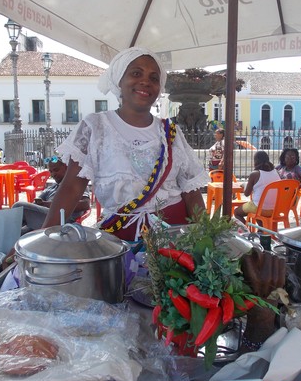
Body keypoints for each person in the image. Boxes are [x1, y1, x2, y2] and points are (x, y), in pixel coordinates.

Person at [42, 47, 207, 242]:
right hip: (120, 237)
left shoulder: (171, 132)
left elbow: (191, 191)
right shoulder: (95, 127)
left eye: (154, 78)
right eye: (136, 73)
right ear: (119, 79)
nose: (145, 81)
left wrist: (206, 239)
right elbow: (71, 188)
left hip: (174, 235)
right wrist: (42, 237)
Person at [12, 156, 91, 234]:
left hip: (64, 221)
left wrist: (47, 204)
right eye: (51, 171)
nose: (53, 174)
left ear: (66, 167)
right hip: (44, 220)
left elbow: (85, 205)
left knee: (19, 207)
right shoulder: (51, 188)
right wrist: (38, 204)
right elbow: (36, 204)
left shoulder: (76, 185)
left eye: (56, 170)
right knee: (17, 235)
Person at [234, 151, 281, 224]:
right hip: (275, 209)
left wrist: (245, 185)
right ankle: (260, 229)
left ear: (255, 161)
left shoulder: (254, 174)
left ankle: (246, 230)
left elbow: (247, 194)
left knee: (237, 212)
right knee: (256, 205)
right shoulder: (276, 172)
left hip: (259, 208)